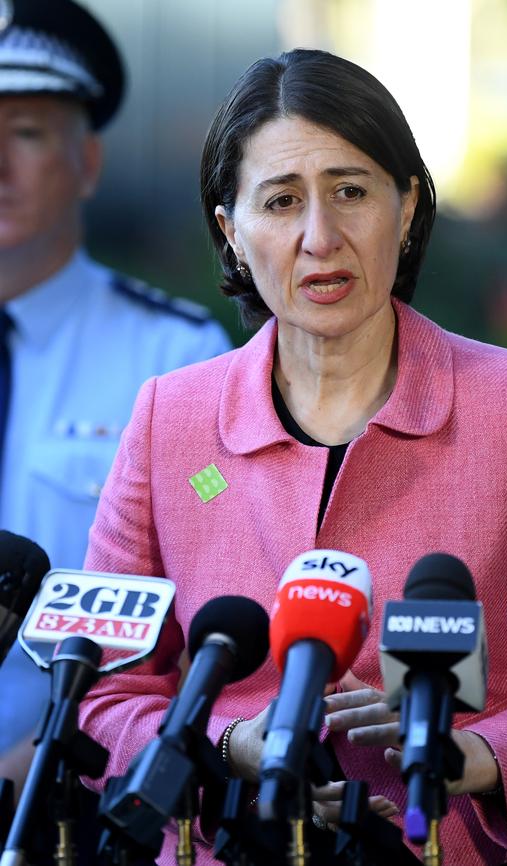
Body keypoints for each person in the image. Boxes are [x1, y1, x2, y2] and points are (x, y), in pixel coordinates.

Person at [79, 49, 507, 866]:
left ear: (409, 207)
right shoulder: (169, 419)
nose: (321, 236)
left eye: (351, 191)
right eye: (280, 201)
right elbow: (102, 691)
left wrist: (477, 759)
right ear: (229, 230)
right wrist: (228, 745)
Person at [0, 0, 231, 776]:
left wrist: (65, 757)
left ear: (89, 164)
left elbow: (214, 600)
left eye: (27, 133)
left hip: (80, 798)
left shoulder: (172, 359)